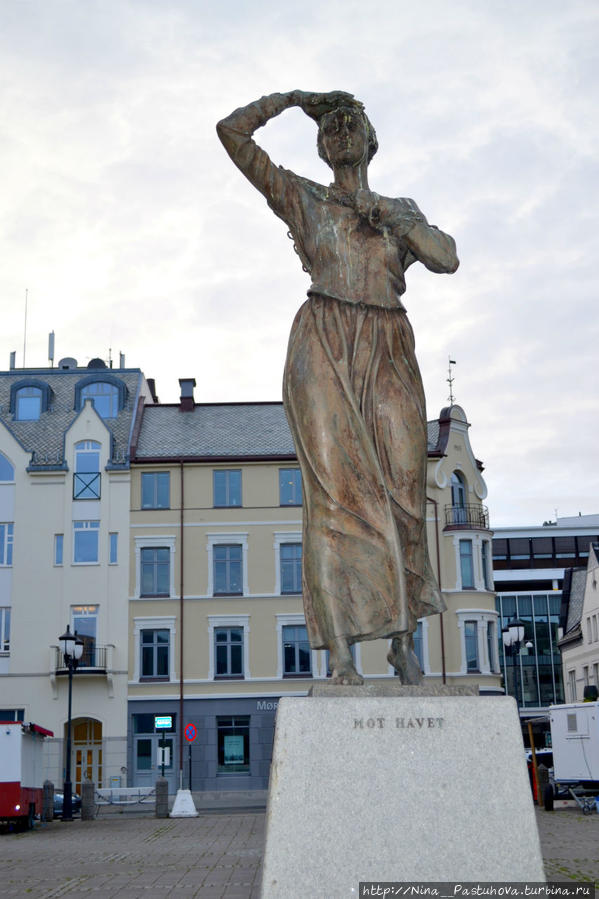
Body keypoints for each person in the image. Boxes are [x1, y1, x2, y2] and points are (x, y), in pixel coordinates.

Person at [217, 90, 459, 685]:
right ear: (321, 144)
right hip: (323, 342)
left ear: (371, 140)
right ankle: (343, 655)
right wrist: (292, 99)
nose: (341, 131)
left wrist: (395, 218)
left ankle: (404, 640)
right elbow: (231, 134)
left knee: (402, 491)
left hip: (387, 347)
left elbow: (447, 258)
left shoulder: (396, 208)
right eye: (331, 126)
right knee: (333, 498)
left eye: (352, 123)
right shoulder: (304, 197)